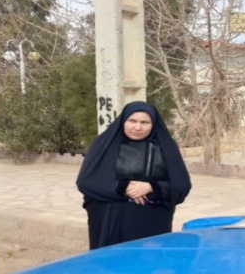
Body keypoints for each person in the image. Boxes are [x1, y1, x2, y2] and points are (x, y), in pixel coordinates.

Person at [76, 101, 192, 249]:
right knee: (112, 260)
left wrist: (152, 187)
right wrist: (123, 187)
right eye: (132, 121)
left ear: (153, 124)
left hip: (151, 223)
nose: (138, 127)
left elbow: (181, 186)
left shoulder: (166, 147)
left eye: (145, 122)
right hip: (110, 220)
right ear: (123, 121)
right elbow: (86, 182)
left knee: (146, 260)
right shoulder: (104, 145)